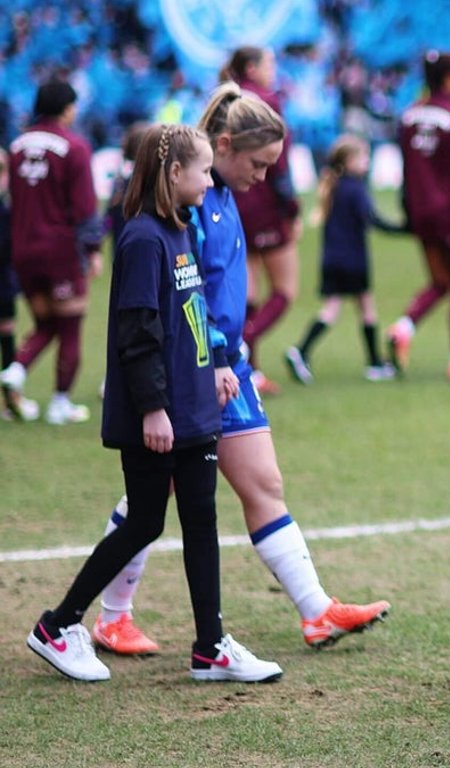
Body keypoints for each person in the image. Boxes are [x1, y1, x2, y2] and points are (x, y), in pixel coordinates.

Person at [89, 83, 391, 658]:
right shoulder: (195, 200)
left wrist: (233, 357)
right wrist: (212, 361)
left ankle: (316, 611)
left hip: (229, 363)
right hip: (202, 366)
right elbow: (186, 291)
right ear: (224, 146)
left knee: (263, 484)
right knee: (155, 492)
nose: (264, 176)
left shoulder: (223, 194)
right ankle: (110, 616)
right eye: (258, 163)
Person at [27, 123, 281, 684]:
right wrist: (152, 408)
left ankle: (211, 647)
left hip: (195, 407)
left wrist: (214, 368)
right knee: (143, 521)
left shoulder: (178, 230)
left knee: (202, 523)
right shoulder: (142, 239)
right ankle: (57, 625)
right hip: (161, 412)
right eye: (203, 169)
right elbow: (137, 332)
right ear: (173, 173)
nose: (210, 177)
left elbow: (188, 315)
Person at [0, 80, 103, 425]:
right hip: (60, 251)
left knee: (47, 322)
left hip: (24, 250)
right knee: (70, 325)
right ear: (67, 108)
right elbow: (86, 207)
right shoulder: (74, 147)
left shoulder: (16, 146)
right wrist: (93, 250)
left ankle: (16, 368)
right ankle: (60, 403)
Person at [388, 51, 450, 383]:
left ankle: (404, 327)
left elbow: (405, 169)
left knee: (441, 282)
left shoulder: (409, 115)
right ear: (448, 78)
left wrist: (408, 210)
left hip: (420, 212)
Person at [284, 135, 405, 384]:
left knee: (332, 309)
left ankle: (302, 351)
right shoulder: (356, 188)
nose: (367, 163)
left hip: (331, 258)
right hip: (353, 259)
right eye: (363, 158)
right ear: (349, 161)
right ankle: (373, 363)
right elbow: (372, 219)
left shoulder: (334, 186)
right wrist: (404, 229)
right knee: (366, 308)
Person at [224, 46, 300, 396]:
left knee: (248, 291)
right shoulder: (266, 101)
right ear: (252, 67)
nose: (274, 69)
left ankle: (250, 371)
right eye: (270, 63)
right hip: (264, 204)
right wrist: (292, 208)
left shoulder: (224, 97)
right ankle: (240, 349)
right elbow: (279, 162)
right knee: (284, 290)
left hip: (231, 204)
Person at [0, 149, 39, 421]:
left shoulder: (10, 208)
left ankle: (11, 399)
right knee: (6, 333)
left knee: (7, 334)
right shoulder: (6, 210)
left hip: (4, 281)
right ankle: (11, 399)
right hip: (3, 280)